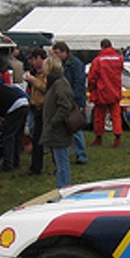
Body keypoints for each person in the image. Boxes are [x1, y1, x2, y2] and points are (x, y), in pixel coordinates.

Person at [41, 55, 76, 189]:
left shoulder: (59, 84)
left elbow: (65, 106)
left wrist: (53, 122)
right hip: (57, 128)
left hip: (59, 129)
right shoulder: (57, 83)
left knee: (62, 162)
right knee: (60, 160)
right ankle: (62, 185)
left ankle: (64, 187)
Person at [51, 41, 88, 164]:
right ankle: (67, 154)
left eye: (57, 53)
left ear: (64, 52)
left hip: (73, 100)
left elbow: (79, 83)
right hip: (64, 98)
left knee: (75, 127)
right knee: (66, 128)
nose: (55, 55)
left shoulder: (75, 64)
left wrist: (77, 101)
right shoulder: (60, 64)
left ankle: (81, 154)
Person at [0, 80, 29, 172]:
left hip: (14, 107)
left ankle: (8, 165)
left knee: (8, 137)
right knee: (17, 136)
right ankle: (16, 162)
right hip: (23, 103)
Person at [87, 39, 124, 147]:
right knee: (116, 116)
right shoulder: (119, 59)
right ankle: (117, 138)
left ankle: (98, 138)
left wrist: (91, 89)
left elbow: (92, 78)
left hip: (101, 91)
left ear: (102, 47)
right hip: (115, 91)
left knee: (99, 116)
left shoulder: (98, 60)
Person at [22, 47, 48, 176]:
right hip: (35, 106)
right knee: (36, 136)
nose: (31, 62)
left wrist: (33, 80)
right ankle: (36, 166)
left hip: (43, 108)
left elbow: (45, 87)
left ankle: (37, 167)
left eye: (32, 59)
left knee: (40, 138)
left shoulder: (46, 72)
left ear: (39, 58)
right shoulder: (35, 71)